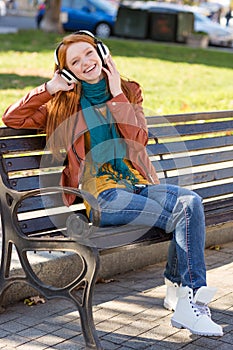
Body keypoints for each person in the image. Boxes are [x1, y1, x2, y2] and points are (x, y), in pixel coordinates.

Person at [2, 30, 223, 337]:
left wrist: (118, 94)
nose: (85, 63)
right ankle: (190, 298)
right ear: (68, 70)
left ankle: (180, 289)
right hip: (101, 198)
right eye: (75, 61)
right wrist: (49, 87)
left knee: (190, 202)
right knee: (180, 215)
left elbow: (139, 141)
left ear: (102, 53)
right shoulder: (63, 103)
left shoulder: (129, 91)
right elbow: (12, 118)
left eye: (89, 54)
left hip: (137, 185)